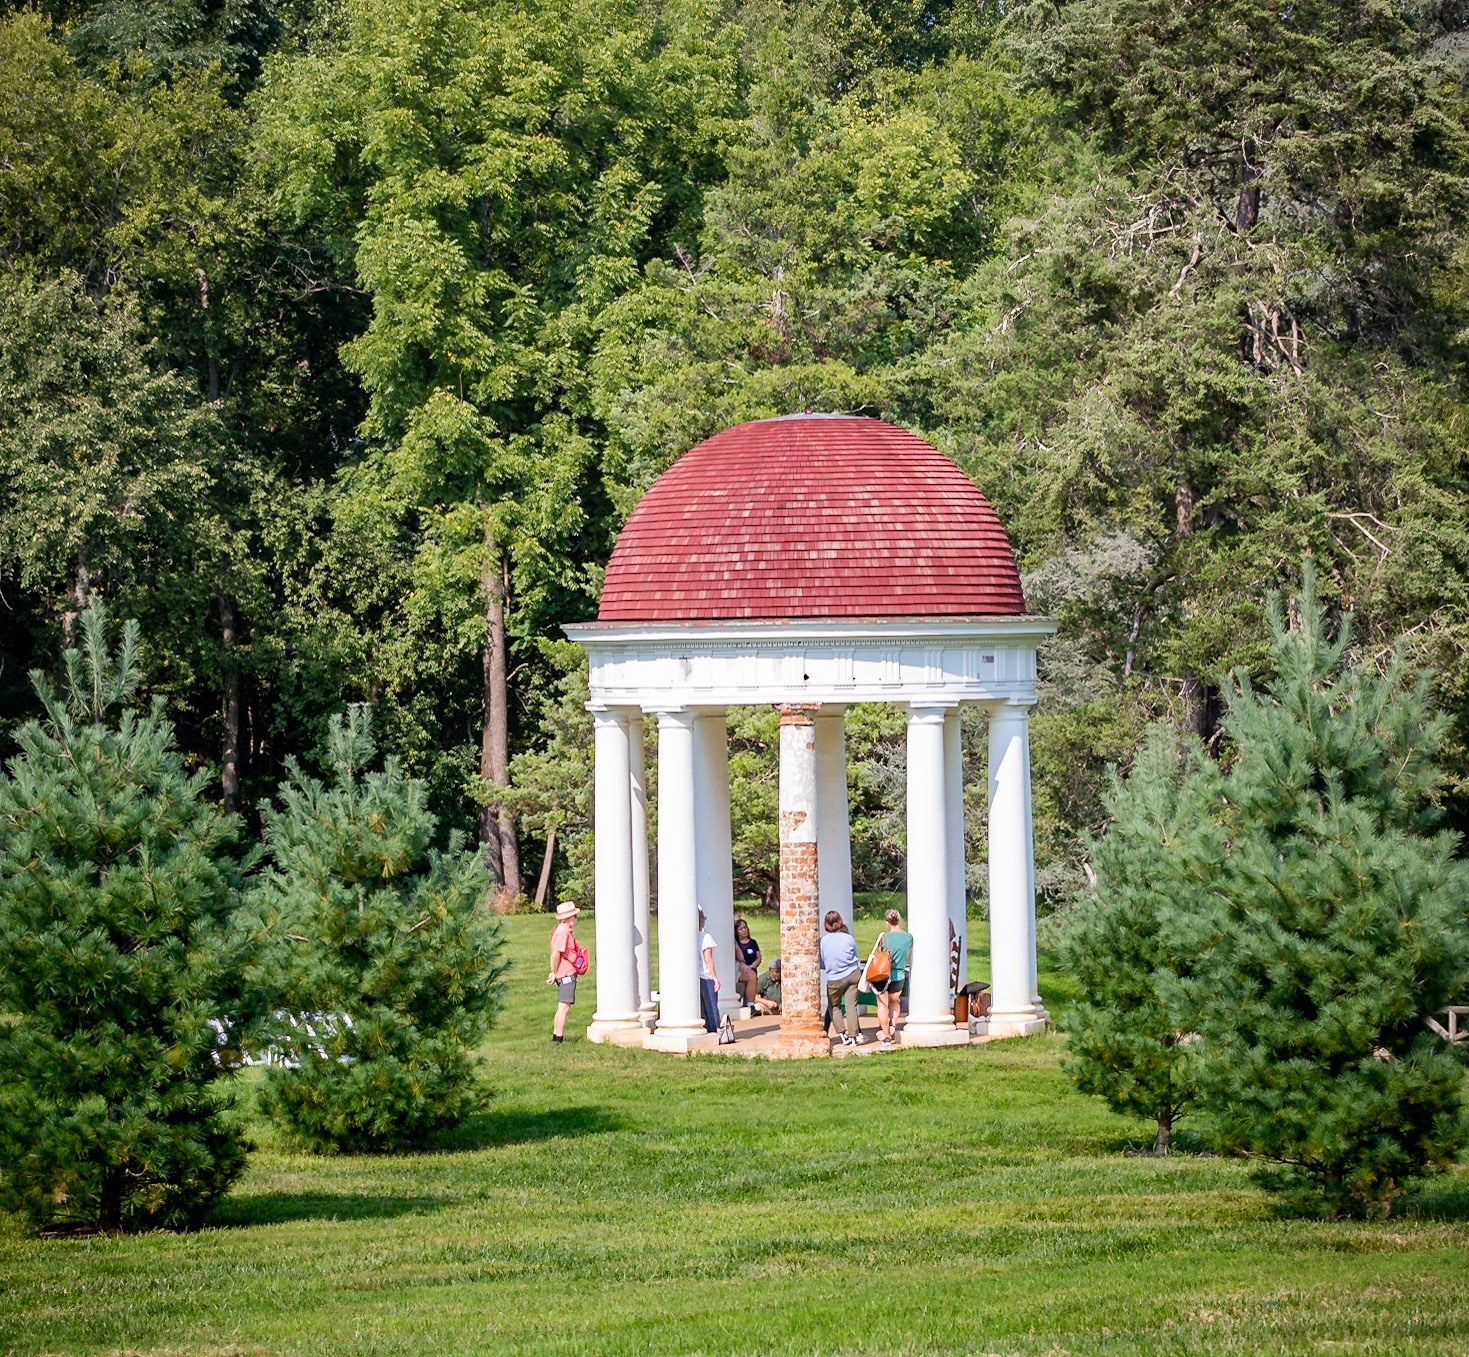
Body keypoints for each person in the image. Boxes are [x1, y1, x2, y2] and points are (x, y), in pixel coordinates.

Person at [819, 911, 864, 1045]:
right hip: (852, 974)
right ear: (840, 922)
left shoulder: (823, 941)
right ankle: (854, 1035)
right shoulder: (848, 938)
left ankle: (842, 1033)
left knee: (834, 1006)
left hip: (834, 978)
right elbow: (856, 955)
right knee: (851, 1006)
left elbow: (822, 962)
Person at [874, 908, 914, 1046]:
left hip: (883, 976)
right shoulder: (908, 937)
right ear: (900, 920)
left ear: (887, 922)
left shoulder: (884, 937)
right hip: (900, 975)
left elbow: (880, 955)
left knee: (882, 1005)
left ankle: (886, 1036)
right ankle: (893, 1024)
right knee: (895, 1001)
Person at [547, 901, 582, 1044]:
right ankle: (557, 1037)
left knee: (564, 1005)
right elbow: (556, 954)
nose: (576, 918)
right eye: (574, 916)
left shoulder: (563, 930)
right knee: (564, 1006)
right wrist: (553, 972)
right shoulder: (563, 931)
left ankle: (557, 1036)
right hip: (565, 974)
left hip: (565, 973)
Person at [698, 909, 720, 1032]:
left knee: (701, 1007)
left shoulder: (691, 938)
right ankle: (715, 1030)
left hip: (696, 977)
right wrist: (715, 978)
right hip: (706, 976)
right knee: (711, 1007)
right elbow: (709, 960)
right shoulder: (705, 937)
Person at [733, 917, 761, 1005]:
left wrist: (752, 966)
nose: (744, 930)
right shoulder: (736, 943)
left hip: (751, 968)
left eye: (745, 927)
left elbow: (759, 957)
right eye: (741, 929)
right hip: (741, 969)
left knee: (752, 976)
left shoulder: (753, 942)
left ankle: (750, 1004)